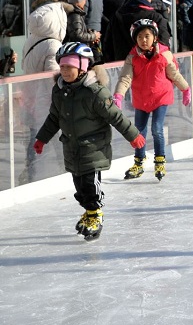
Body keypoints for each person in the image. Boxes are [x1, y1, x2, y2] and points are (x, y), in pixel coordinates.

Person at [32, 43, 145, 241]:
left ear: (83, 67)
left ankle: (96, 215)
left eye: (70, 66)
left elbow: (116, 117)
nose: (65, 71)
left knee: (91, 186)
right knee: (79, 187)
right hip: (72, 148)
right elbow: (53, 118)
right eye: (62, 67)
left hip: (93, 148)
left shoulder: (95, 93)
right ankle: (88, 211)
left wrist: (133, 135)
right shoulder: (59, 92)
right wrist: (42, 138)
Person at [113, 19, 191, 181]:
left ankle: (160, 160)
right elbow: (125, 78)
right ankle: (139, 162)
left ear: (154, 37)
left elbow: (174, 74)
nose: (144, 40)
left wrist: (186, 89)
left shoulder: (164, 54)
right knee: (138, 132)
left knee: (157, 129)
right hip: (142, 99)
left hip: (160, 97)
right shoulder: (132, 57)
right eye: (140, 37)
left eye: (147, 36)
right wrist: (119, 95)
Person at [103, 0, 171, 63]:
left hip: (122, 65)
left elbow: (107, 44)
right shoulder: (155, 17)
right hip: (147, 66)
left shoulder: (117, 15)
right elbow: (164, 44)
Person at [65, 0, 108, 86]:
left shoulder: (74, 13)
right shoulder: (75, 15)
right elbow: (77, 35)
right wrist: (93, 36)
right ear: (79, 0)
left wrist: (88, 32)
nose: (85, 3)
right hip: (77, 55)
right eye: (84, 0)